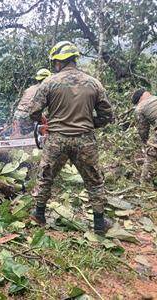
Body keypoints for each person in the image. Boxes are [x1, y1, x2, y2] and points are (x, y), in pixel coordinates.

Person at [28, 41, 114, 235]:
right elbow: (107, 115)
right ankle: (99, 223)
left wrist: (46, 120)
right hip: (85, 140)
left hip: (57, 139)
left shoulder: (49, 83)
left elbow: (33, 112)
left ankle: (39, 214)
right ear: (74, 58)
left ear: (58, 61)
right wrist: (90, 123)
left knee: (46, 178)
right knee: (94, 181)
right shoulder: (94, 83)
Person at [12, 69, 52, 137]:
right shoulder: (44, 89)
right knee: (48, 119)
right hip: (28, 115)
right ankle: (45, 137)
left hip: (17, 114)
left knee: (18, 136)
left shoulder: (30, 88)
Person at [132, 88, 157, 182]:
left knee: (151, 153)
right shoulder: (155, 98)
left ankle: (144, 182)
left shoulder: (140, 107)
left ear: (138, 100)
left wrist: (145, 142)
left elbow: (143, 130)